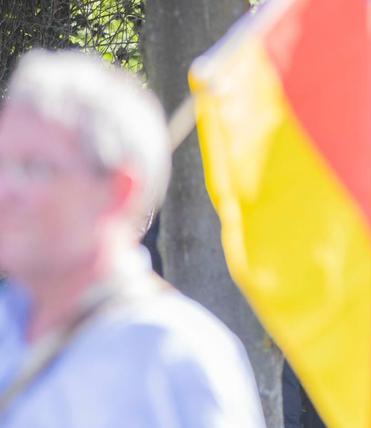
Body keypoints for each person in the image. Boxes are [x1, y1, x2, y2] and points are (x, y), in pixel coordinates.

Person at [0, 50, 263, 427]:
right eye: (2, 165)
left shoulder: (176, 357)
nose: (6, 191)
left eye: (34, 167)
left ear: (119, 191)